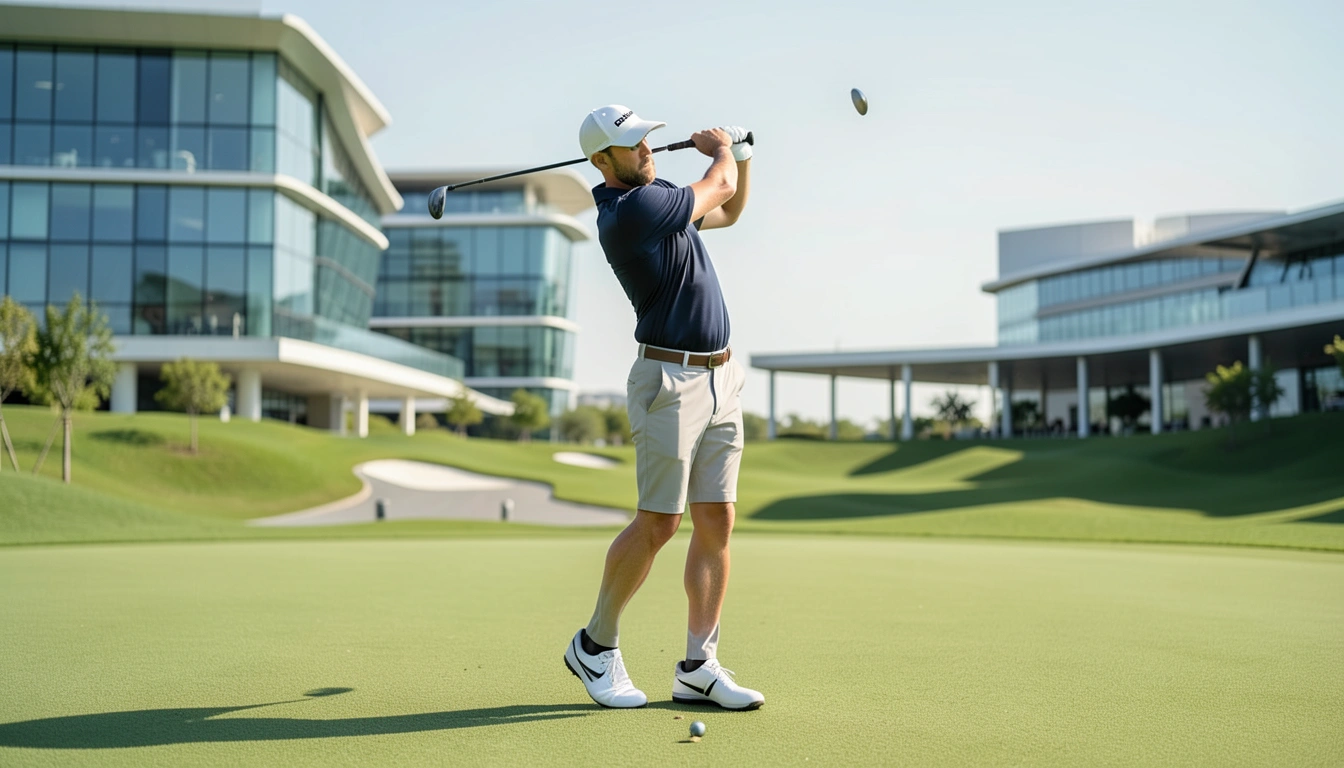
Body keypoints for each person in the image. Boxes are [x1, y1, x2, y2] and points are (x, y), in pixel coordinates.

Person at [561, 105, 763, 711]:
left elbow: (727, 210)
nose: (647, 148)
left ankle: (699, 667)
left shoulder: (662, 197)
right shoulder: (632, 211)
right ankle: (594, 645)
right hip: (669, 380)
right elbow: (718, 185)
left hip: (722, 376)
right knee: (659, 522)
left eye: (647, 138)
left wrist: (742, 157)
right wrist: (722, 150)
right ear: (602, 161)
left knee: (717, 519)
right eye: (633, 144)